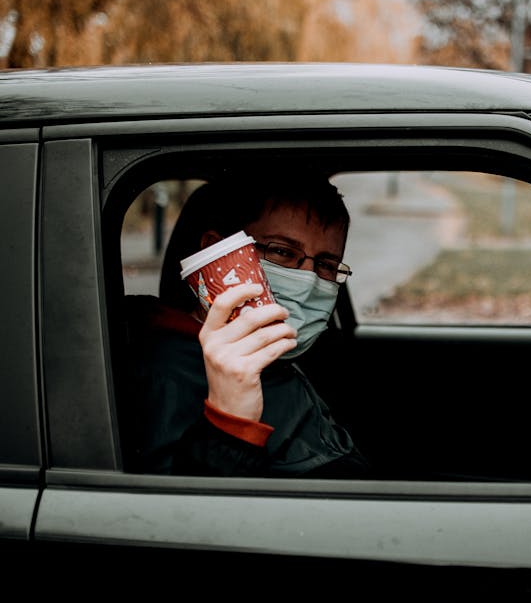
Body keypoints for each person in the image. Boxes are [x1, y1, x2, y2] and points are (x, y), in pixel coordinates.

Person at [123, 171, 369, 478]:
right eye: (282, 252)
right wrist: (229, 418)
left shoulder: (283, 355)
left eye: (326, 265)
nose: (308, 281)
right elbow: (174, 514)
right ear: (216, 252)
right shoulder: (162, 373)